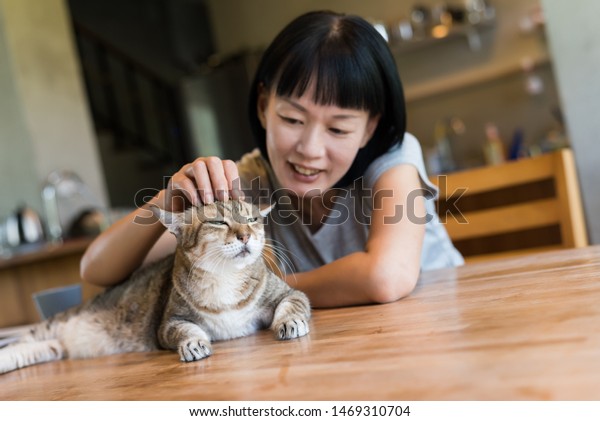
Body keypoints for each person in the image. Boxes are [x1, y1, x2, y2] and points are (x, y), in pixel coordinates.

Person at [81, 10, 463, 308]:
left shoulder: (393, 162)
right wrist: (168, 199)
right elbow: (96, 271)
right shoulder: (249, 184)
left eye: (338, 129)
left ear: (368, 129)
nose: (310, 148)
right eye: (292, 119)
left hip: (434, 327)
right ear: (264, 107)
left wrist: (260, 294)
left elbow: (385, 278)